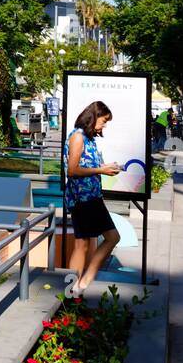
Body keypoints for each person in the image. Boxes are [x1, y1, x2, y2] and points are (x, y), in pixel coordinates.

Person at [64, 100, 121, 297]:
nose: (104, 126)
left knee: (87, 243)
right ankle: (76, 287)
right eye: (104, 121)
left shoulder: (88, 138)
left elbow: (86, 165)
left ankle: (76, 287)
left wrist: (106, 168)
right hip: (83, 198)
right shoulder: (78, 137)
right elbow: (72, 170)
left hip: (90, 197)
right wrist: (101, 170)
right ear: (94, 117)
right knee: (91, 243)